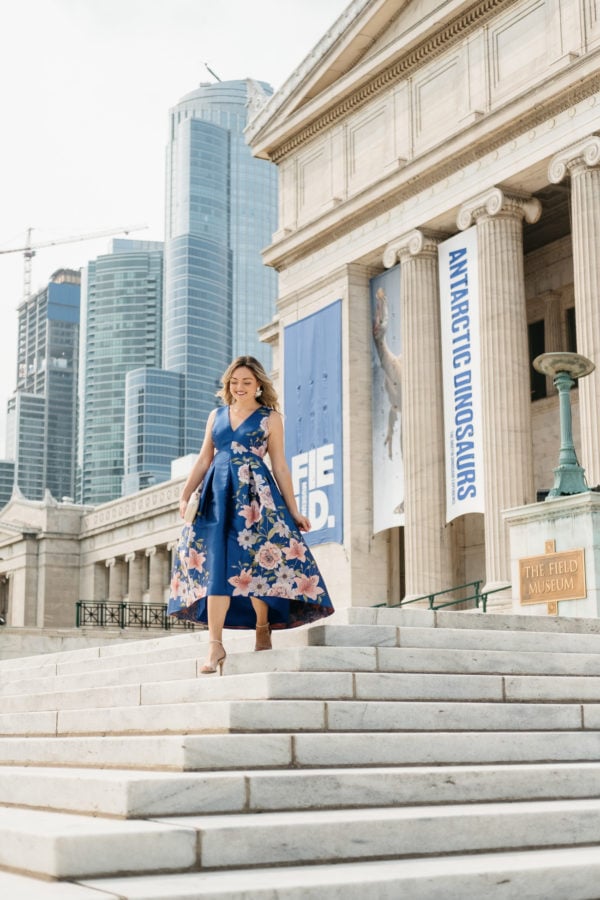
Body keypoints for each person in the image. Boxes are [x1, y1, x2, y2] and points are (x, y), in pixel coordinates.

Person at [167, 355, 334, 674]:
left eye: (246, 382)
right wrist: (185, 494)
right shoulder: (215, 415)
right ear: (228, 384)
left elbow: (281, 465)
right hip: (215, 496)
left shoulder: (271, 418)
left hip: (256, 496)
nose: (240, 387)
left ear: (259, 384)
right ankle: (215, 645)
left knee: (259, 563)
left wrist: (294, 509)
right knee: (216, 567)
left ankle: (262, 626)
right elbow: (204, 460)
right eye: (234, 382)